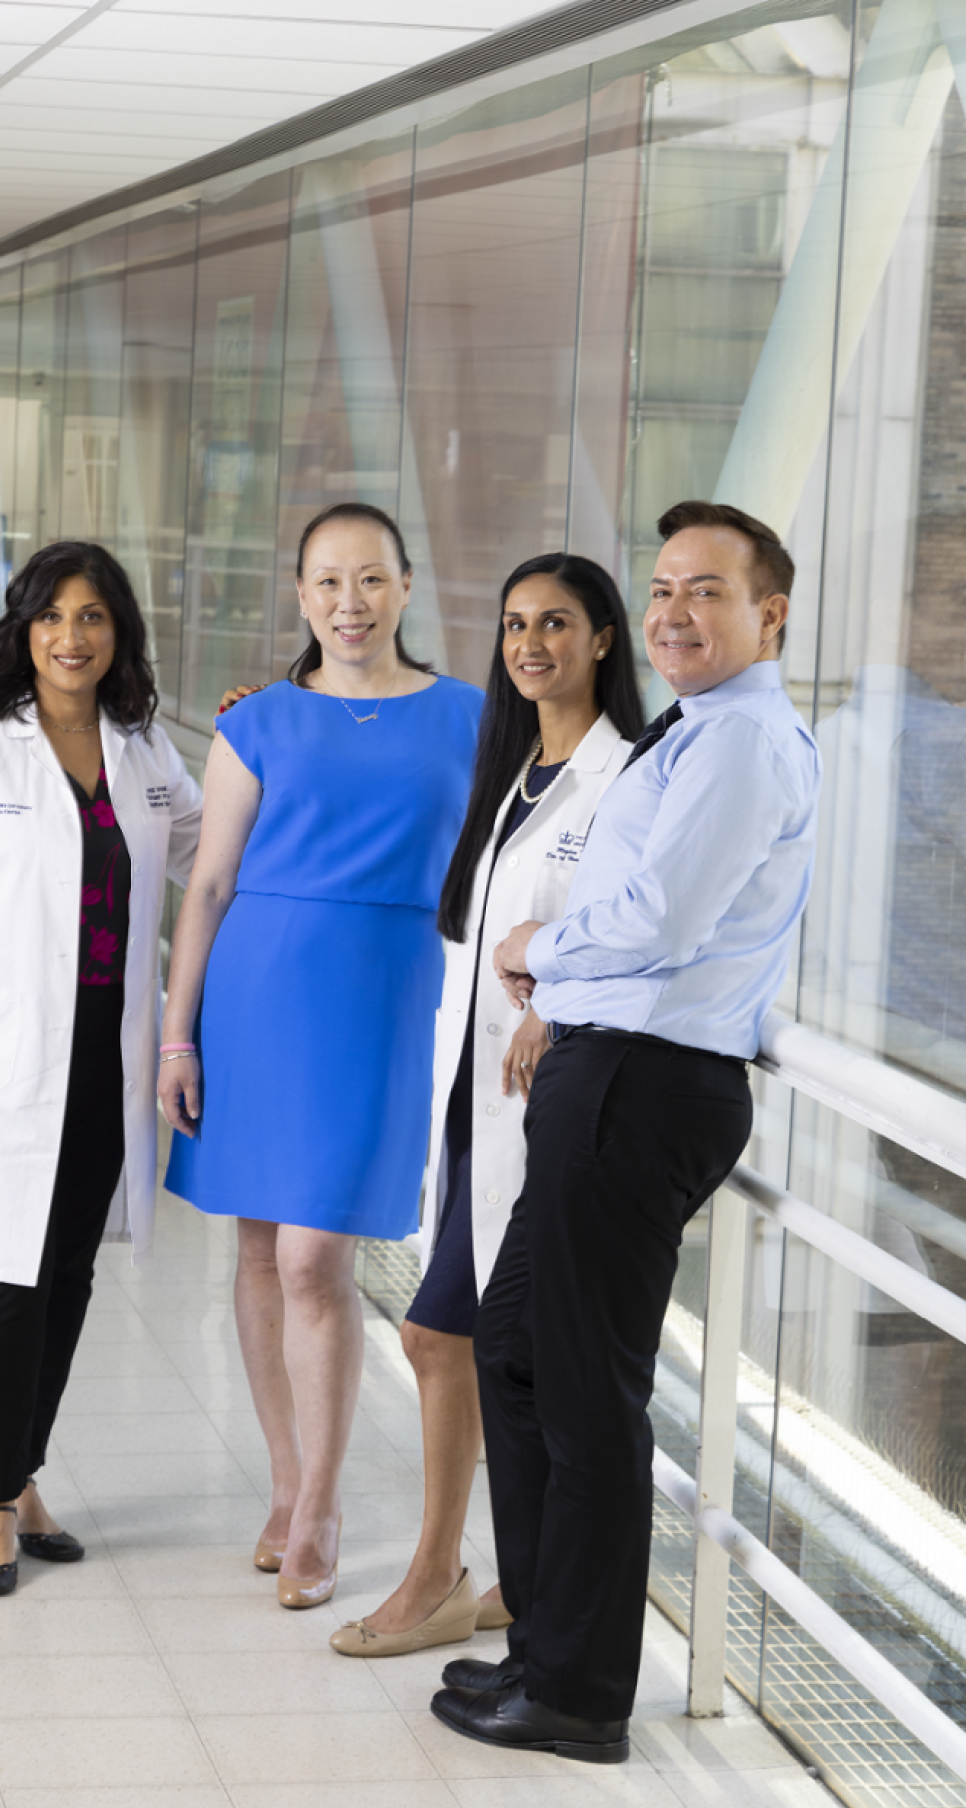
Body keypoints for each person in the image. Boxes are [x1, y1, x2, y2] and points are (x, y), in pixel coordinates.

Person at [431, 501, 820, 1758]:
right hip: (604, 1071)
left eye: (705, 592)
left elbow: (657, 920)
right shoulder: (694, 734)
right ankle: (545, 1644)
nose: (671, 613)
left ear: (767, 614)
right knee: (514, 1344)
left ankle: (583, 1693)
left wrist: (541, 949)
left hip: (645, 1085)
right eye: (662, 589)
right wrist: (565, 987)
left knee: (588, 1391)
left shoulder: (741, 745)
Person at [159, 502, 483, 1609]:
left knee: (313, 1260)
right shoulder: (257, 723)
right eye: (327, 583)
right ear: (300, 597)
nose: (349, 603)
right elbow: (205, 884)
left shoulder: (471, 719)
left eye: (370, 580)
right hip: (255, 993)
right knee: (258, 1253)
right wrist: (177, 1032)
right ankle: (289, 1487)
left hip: (379, 996)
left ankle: (325, 1503)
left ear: (403, 588)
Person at [329, 554, 644, 1659]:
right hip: (468, 1106)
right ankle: (509, 1576)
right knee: (465, 1342)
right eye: (514, 624)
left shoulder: (624, 781)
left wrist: (555, 1006)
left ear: (604, 637)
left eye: (556, 624)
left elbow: (633, 934)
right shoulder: (512, 774)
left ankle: (443, 1572)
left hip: (539, 1107)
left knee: (437, 1333)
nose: (530, 645)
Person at [0, 541, 202, 1596]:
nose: (72, 636)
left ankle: (21, 1479)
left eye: (94, 616)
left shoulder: (145, 751)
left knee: (67, 1272)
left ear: (120, 634)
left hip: (107, 1053)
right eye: (53, 615)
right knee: (9, 1279)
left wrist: (264, 734)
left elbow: (213, 853)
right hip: (5, 1059)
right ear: (23, 628)